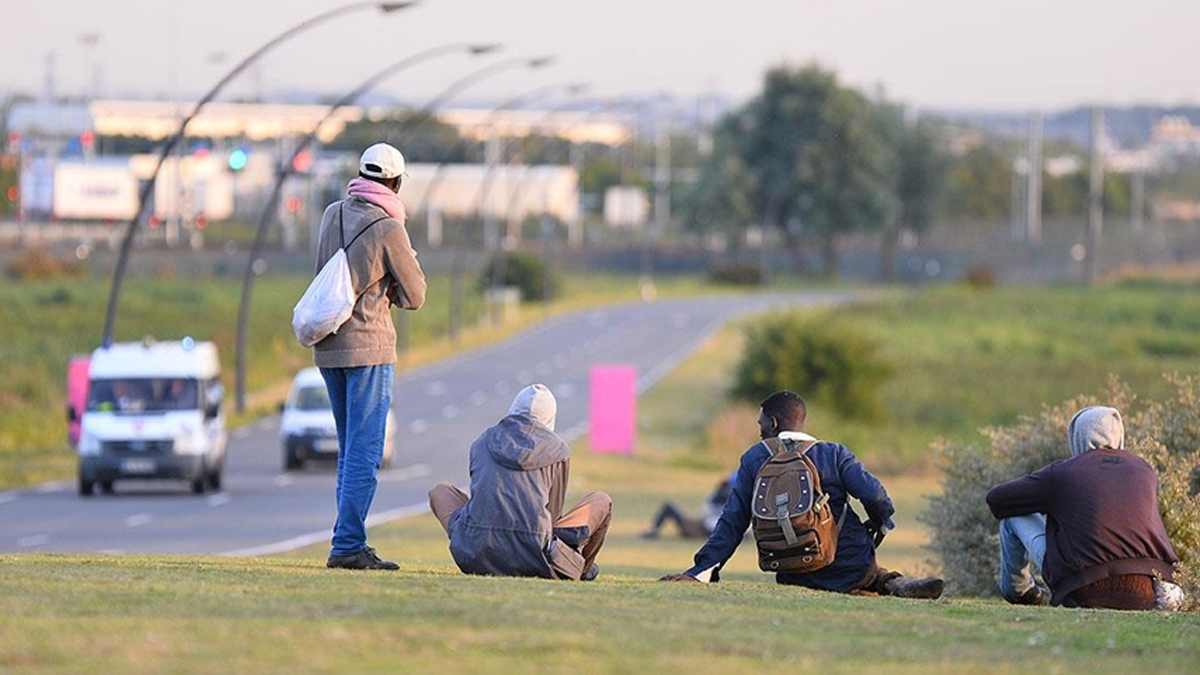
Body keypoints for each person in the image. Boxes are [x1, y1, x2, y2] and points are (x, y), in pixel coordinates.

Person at [660, 390, 944, 599]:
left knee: (852, 576)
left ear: (773, 423)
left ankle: (880, 585)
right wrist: (881, 523)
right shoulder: (833, 453)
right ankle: (890, 583)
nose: (760, 434)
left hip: (790, 570)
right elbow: (876, 496)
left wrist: (701, 571)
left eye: (761, 426)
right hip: (847, 563)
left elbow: (732, 521)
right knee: (869, 570)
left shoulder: (755, 457)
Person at [315, 142, 426, 571]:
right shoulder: (389, 228)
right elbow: (415, 294)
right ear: (396, 182)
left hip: (329, 344)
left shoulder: (331, 214)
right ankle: (347, 544)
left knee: (348, 449)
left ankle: (346, 538)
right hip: (369, 346)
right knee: (366, 449)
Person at [986, 406, 1184, 609]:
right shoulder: (1144, 470)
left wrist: (1049, 503)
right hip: (1145, 594)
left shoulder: (1063, 472)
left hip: (1084, 592)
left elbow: (997, 499)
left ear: (1077, 437)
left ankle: (1021, 593)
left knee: (1013, 517)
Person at [428, 384, 612, 581]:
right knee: (601, 501)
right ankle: (581, 568)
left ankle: (479, 544)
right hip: (535, 559)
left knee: (440, 492)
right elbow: (553, 515)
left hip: (475, 554)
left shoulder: (482, 441)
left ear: (513, 409)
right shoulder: (558, 450)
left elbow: (480, 496)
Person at [640, 473, 735, 540]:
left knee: (669, 506)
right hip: (698, 526)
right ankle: (654, 531)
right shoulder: (725, 504)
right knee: (670, 507)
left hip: (697, 527)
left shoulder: (721, 503)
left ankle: (654, 531)